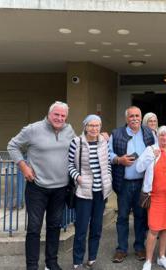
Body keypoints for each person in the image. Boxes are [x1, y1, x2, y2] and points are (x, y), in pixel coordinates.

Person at [7, 101, 75, 270]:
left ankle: (51, 263)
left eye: (63, 115)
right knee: (34, 228)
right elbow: (12, 145)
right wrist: (23, 166)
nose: (59, 118)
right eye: (56, 114)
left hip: (60, 188)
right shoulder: (33, 129)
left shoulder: (69, 130)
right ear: (49, 114)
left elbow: (78, 148)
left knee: (54, 226)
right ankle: (32, 266)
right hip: (37, 187)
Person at [109, 106, 155, 263]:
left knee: (140, 216)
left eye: (137, 116)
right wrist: (119, 159)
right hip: (124, 183)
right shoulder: (116, 134)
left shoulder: (149, 133)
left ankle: (139, 247)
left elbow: (156, 152)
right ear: (126, 118)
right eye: (131, 116)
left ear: (141, 118)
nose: (134, 118)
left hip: (143, 183)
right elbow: (108, 153)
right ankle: (121, 249)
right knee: (122, 217)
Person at [136, 126, 166, 270]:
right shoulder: (150, 149)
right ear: (157, 136)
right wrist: (151, 156)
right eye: (162, 135)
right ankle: (148, 260)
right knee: (154, 229)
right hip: (155, 196)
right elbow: (139, 167)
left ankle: (162, 257)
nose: (164, 138)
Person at [68, 114, 112, 269]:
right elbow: (70, 166)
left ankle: (92, 256)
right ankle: (77, 260)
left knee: (97, 226)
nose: (94, 128)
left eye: (97, 125)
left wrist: (109, 179)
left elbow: (107, 164)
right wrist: (78, 177)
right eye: (91, 125)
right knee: (81, 228)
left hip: (101, 192)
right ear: (85, 126)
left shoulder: (104, 143)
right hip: (83, 192)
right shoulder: (77, 142)